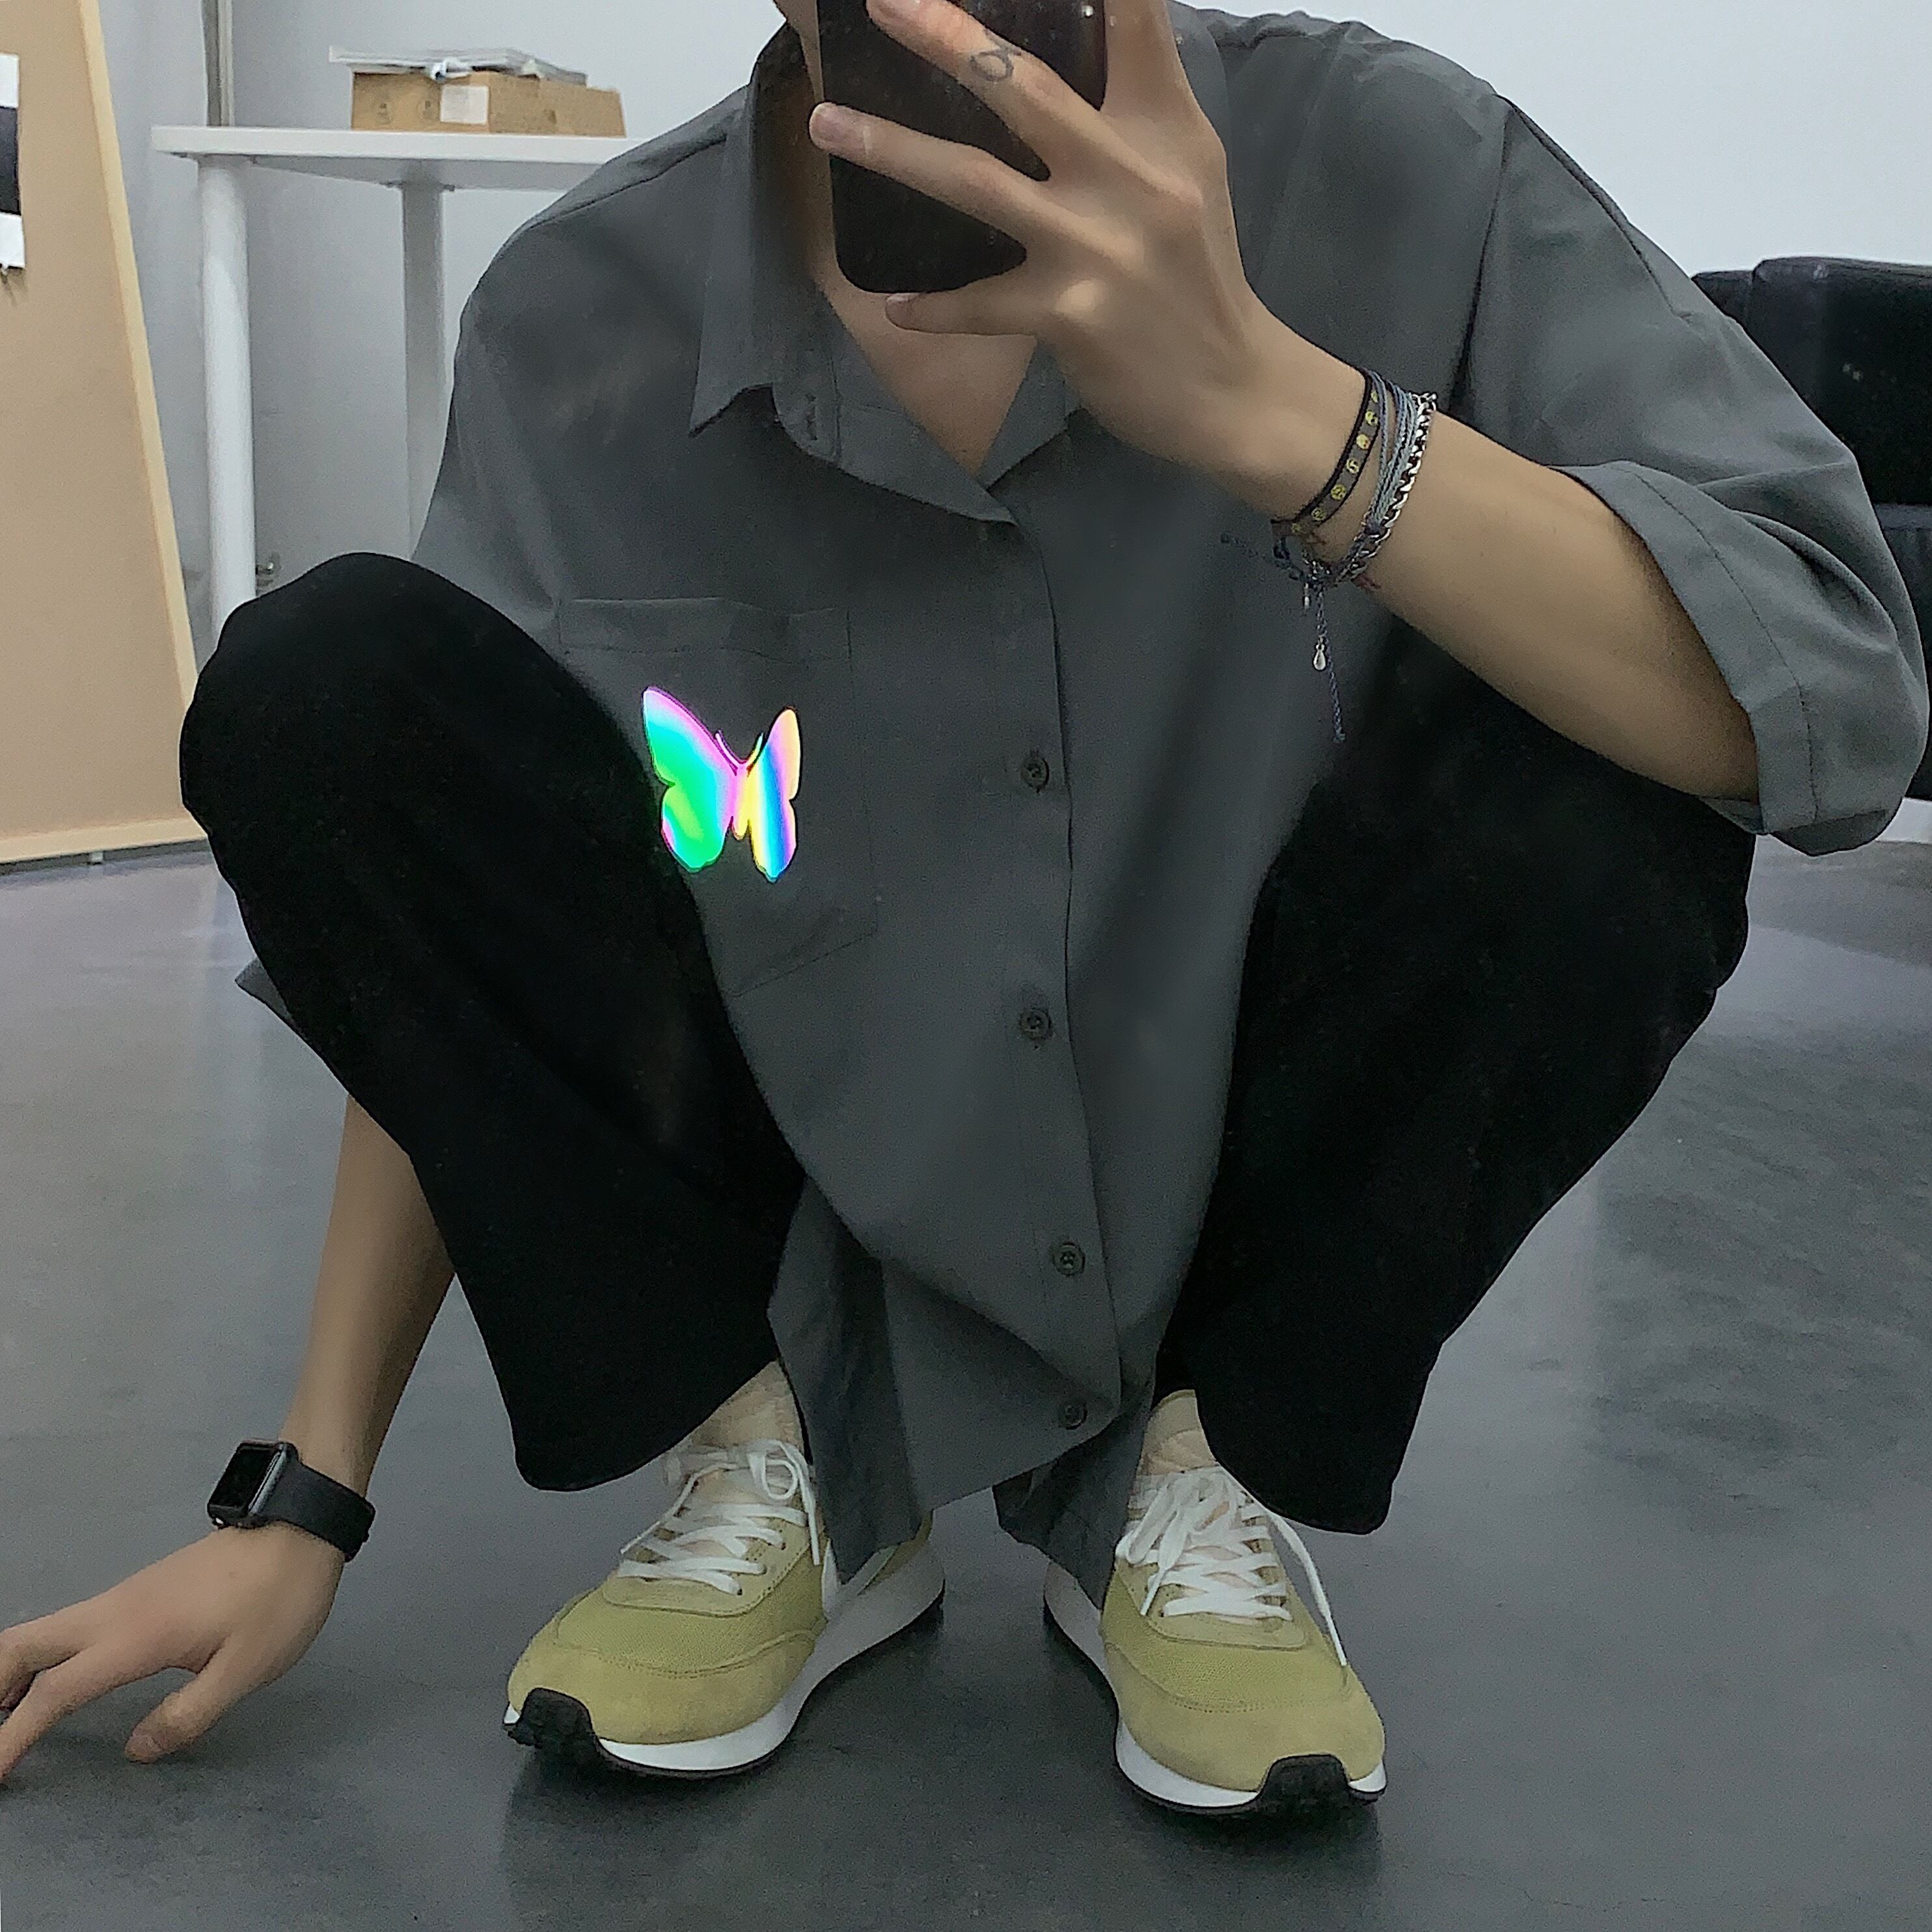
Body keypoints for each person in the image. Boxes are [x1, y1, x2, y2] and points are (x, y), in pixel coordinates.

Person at [1, 0, 1923, 1819]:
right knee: (321, 685)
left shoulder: (1412, 176)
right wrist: (307, 1492)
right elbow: (450, 931)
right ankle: (789, 1464)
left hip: (1235, 1174)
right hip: (793, 1231)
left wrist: (1287, 414)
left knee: (1621, 722)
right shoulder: (582, 313)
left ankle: (1201, 1463)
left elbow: (1827, 683)